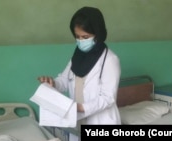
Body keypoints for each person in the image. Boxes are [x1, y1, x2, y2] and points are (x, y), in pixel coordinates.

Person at [38, 6, 121, 140]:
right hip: (78, 120)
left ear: (97, 34)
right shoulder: (77, 56)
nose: (81, 41)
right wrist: (53, 83)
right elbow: (65, 80)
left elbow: (108, 97)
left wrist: (81, 108)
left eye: (85, 37)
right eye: (77, 37)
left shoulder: (110, 60)